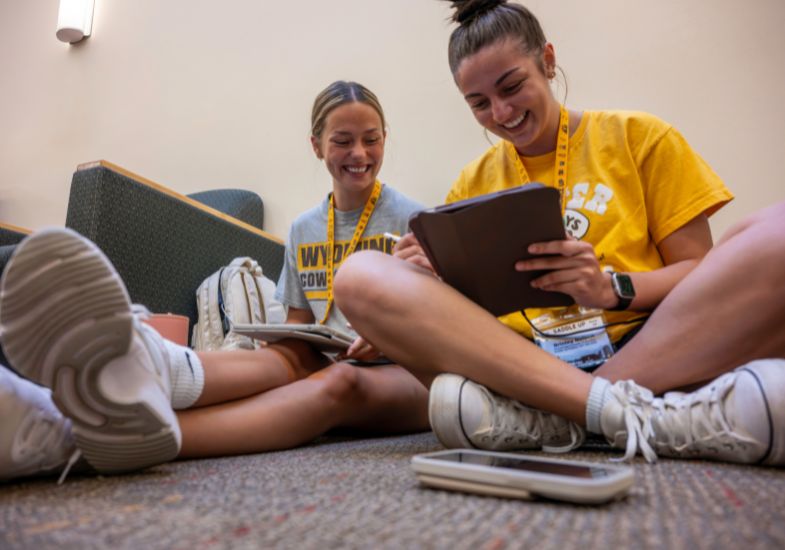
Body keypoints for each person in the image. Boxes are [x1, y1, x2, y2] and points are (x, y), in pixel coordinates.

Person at [332, 0, 785, 465]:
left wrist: (610, 288)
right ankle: (637, 414)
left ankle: (553, 418)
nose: (502, 112)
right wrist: (430, 281)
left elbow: (698, 273)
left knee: (779, 234)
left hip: (646, 343)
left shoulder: (640, 137)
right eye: (479, 103)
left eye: (512, 86)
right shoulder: (471, 181)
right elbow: (472, 319)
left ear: (547, 61)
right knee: (359, 275)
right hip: (523, 364)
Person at [0, 81, 430, 482]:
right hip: (334, 354)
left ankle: (80, 440)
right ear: (317, 146)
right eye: (343, 140)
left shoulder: (413, 220)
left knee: (339, 384)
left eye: (371, 139)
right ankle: (151, 366)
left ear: (385, 138)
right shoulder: (303, 228)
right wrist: (279, 346)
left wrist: (390, 338)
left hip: (405, 371)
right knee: (288, 358)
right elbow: (301, 325)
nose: (359, 152)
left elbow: (437, 330)